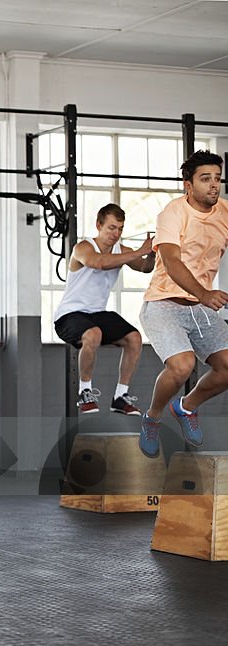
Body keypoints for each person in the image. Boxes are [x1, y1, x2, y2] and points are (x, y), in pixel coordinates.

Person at [138, 150, 228, 458]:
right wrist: (205, 294)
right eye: (205, 179)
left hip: (201, 308)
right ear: (188, 185)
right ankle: (152, 417)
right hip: (164, 303)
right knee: (182, 365)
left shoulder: (225, 213)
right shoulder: (173, 213)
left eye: (217, 179)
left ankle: (186, 407)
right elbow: (173, 263)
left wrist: (204, 299)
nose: (214, 185)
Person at [52, 203, 154, 415]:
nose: (115, 234)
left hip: (96, 314)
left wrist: (152, 252)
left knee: (134, 338)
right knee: (93, 334)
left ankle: (120, 396)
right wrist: (137, 252)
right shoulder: (83, 248)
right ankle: (85, 392)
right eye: (111, 228)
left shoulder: (121, 251)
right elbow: (99, 263)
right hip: (69, 315)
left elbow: (145, 267)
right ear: (99, 225)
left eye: (120, 229)